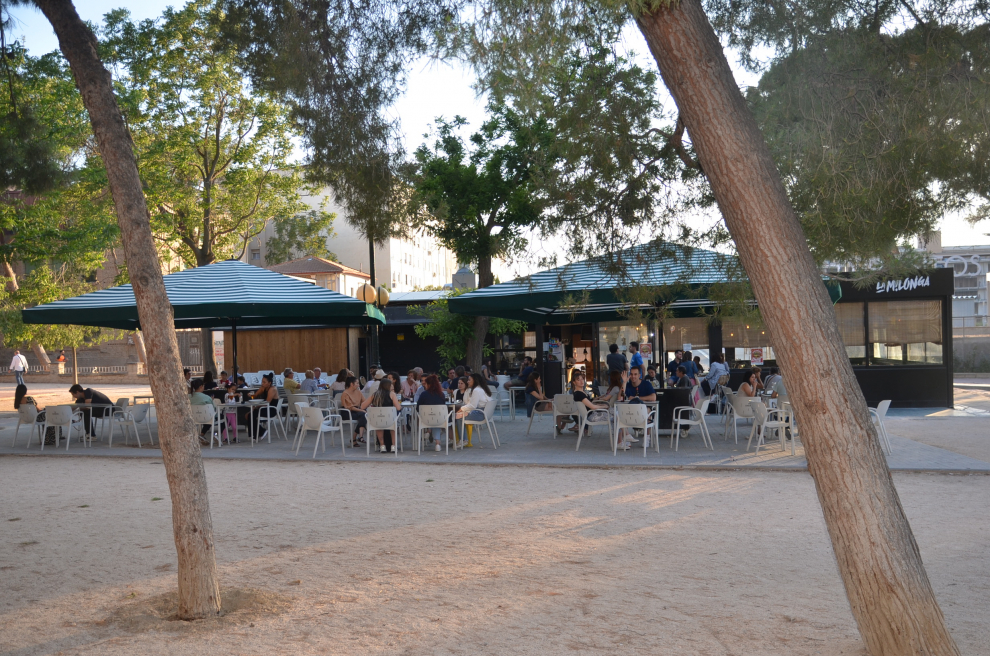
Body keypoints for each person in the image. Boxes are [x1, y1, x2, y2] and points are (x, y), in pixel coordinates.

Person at [361, 377, 402, 452]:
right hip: (389, 419)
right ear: (388, 386)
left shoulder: (374, 395)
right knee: (393, 427)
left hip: (377, 419)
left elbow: (362, 406)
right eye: (391, 385)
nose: (392, 386)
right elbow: (398, 408)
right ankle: (393, 446)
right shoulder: (392, 394)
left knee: (379, 426)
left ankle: (382, 446)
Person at [568, 370, 611, 436]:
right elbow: (592, 407)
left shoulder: (580, 393)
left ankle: (621, 438)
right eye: (578, 380)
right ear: (574, 382)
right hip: (591, 416)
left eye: (582, 379)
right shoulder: (579, 394)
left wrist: (600, 404)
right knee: (617, 416)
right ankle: (621, 439)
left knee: (616, 413)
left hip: (592, 414)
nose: (581, 381)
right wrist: (604, 407)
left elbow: (589, 404)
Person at [457, 374, 491, 445]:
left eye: (469, 380)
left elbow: (473, 405)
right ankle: (461, 440)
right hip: (485, 413)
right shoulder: (481, 389)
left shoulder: (476, 390)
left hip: (480, 414)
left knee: (458, 417)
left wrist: (461, 409)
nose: (468, 382)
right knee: (460, 415)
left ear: (474, 381)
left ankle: (463, 440)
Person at [416, 374, 448, 451]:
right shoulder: (441, 394)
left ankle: (428, 430)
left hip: (425, 420)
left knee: (431, 417)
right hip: (439, 419)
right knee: (436, 419)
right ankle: (437, 443)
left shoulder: (424, 394)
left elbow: (418, 408)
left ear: (428, 384)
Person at [339, 376, 367, 446]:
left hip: (357, 411)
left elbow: (364, 402)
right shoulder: (345, 393)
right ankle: (358, 437)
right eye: (357, 383)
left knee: (364, 416)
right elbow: (350, 407)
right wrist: (362, 410)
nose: (358, 385)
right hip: (347, 411)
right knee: (363, 415)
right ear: (352, 384)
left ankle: (357, 437)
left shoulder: (358, 392)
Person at [251, 373, 279, 439]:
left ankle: (261, 432)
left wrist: (256, 406)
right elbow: (255, 395)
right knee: (248, 415)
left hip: (271, 410)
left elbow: (267, 402)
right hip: (263, 408)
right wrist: (251, 395)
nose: (262, 383)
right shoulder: (263, 388)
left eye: (264, 382)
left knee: (253, 414)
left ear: (269, 383)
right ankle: (255, 433)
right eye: (262, 382)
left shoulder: (272, 389)